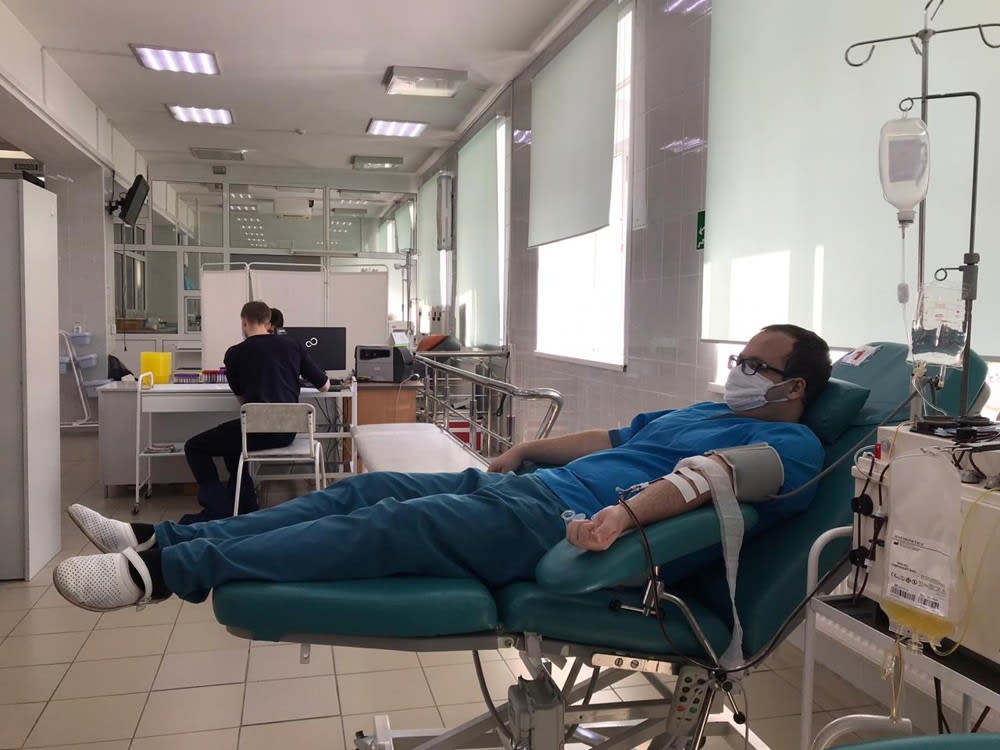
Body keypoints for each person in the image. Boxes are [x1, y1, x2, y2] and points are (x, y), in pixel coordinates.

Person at [55, 324, 831, 612]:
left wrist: (624, 516)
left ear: (794, 387)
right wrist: (524, 448)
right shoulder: (704, 412)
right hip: (532, 489)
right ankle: (163, 539)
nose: (738, 371)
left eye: (756, 366)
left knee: (396, 524)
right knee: (366, 488)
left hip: (564, 524)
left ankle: (162, 577)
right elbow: (611, 437)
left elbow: (711, 480)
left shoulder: (794, 447)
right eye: (738, 359)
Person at [181, 301, 330, 523]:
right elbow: (325, 386)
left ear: (244, 322)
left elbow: (243, 401)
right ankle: (246, 506)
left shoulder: (234, 354)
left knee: (194, 447)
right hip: (288, 432)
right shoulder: (293, 345)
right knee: (232, 446)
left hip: (256, 430)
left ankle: (217, 508)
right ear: (269, 323)